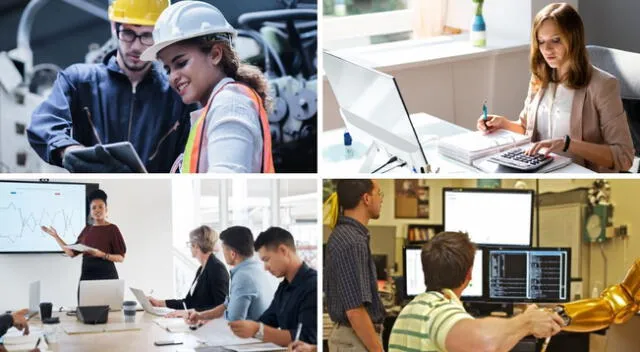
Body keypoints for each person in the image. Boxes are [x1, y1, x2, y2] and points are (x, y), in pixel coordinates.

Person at [27, 0, 194, 173]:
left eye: (147, 35)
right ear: (114, 27)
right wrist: (67, 150)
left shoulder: (176, 95)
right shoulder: (78, 80)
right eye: (128, 33)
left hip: (153, 198)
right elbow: (43, 123)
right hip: (93, 196)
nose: (136, 46)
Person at [476, 3, 634, 172]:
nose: (547, 49)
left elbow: (623, 156)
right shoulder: (540, 78)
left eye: (556, 40)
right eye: (541, 42)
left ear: (574, 38)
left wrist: (568, 144)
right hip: (540, 170)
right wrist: (503, 123)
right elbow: (528, 130)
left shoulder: (602, 85)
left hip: (579, 175)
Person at [140, 1, 275, 173]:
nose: (173, 76)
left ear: (215, 54)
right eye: (167, 69)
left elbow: (225, 185)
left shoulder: (230, 104)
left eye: (181, 63)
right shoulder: (219, 106)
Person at [388, 232, 564, 352]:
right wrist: (527, 321)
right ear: (469, 274)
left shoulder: (411, 310)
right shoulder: (437, 311)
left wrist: (524, 328)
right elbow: (484, 342)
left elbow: (493, 346)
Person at [324, 179, 386, 352]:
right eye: (379, 194)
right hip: (355, 340)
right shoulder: (353, 241)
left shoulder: (346, 235)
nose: (381, 199)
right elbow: (355, 311)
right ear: (366, 198)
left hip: (353, 339)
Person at [228, 227, 316, 347]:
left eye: (266, 259)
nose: (265, 267)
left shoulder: (312, 285)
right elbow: (267, 321)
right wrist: (244, 328)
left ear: (283, 251)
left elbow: (305, 338)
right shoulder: (284, 287)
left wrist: (258, 330)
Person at [41, 190, 126, 294]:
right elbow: (71, 253)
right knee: (85, 309)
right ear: (90, 212)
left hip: (107, 277)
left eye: (101, 207)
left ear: (106, 210)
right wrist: (55, 236)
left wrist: (102, 255)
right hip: (87, 277)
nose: (97, 210)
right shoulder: (87, 230)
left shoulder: (112, 229)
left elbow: (121, 258)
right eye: (94, 208)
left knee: (110, 309)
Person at [185, 226, 274, 323]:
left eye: (224, 249)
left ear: (232, 254)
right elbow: (225, 305)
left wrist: (206, 322)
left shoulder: (243, 276)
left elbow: (234, 321)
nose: (222, 253)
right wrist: (200, 316)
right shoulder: (256, 268)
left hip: (251, 336)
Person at [149, 225, 229, 316]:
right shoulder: (201, 269)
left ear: (196, 245)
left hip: (210, 326)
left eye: (190, 244)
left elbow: (221, 308)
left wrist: (189, 313)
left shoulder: (217, 269)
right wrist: (159, 303)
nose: (190, 247)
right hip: (197, 322)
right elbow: (188, 303)